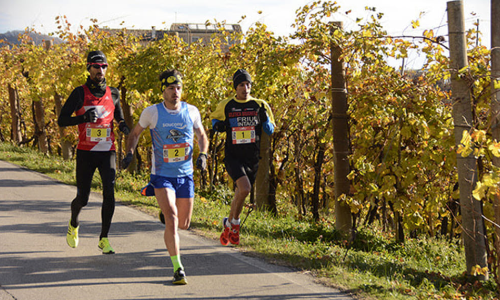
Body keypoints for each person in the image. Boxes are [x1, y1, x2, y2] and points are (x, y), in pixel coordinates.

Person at [122, 69, 208, 285]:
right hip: (162, 175)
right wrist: (130, 153)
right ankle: (178, 268)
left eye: (178, 88)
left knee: (184, 224)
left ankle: (167, 214)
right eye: (171, 88)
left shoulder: (192, 111)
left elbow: (202, 135)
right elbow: (134, 134)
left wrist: (204, 154)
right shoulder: (152, 113)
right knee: (172, 219)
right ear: (163, 91)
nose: (175, 92)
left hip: (185, 175)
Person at [58, 50, 130, 254]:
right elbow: (62, 120)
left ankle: (104, 238)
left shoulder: (113, 93)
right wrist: (82, 119)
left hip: (108, 151)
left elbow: (119, 117)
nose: (100, 70)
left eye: (104, 66)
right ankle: (74, 223)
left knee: (110, 193)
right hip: (86, 152)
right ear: (89, 68)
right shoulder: (79, 93)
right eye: (96, 66)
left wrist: (124, 127)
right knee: (83, 198)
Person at [210, 69, 275, 246]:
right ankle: (236, 225)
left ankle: (227, 224)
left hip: (252, 158)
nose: (245, 88)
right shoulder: (227, 104)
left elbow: (270, 130)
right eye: (241, 85)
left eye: (248, 84)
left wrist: (265, 120)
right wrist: (219, 126)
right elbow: (214, 121)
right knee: (245, 189)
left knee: (240, 192)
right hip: (233, 156)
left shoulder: (260, 105)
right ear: (235, 87)